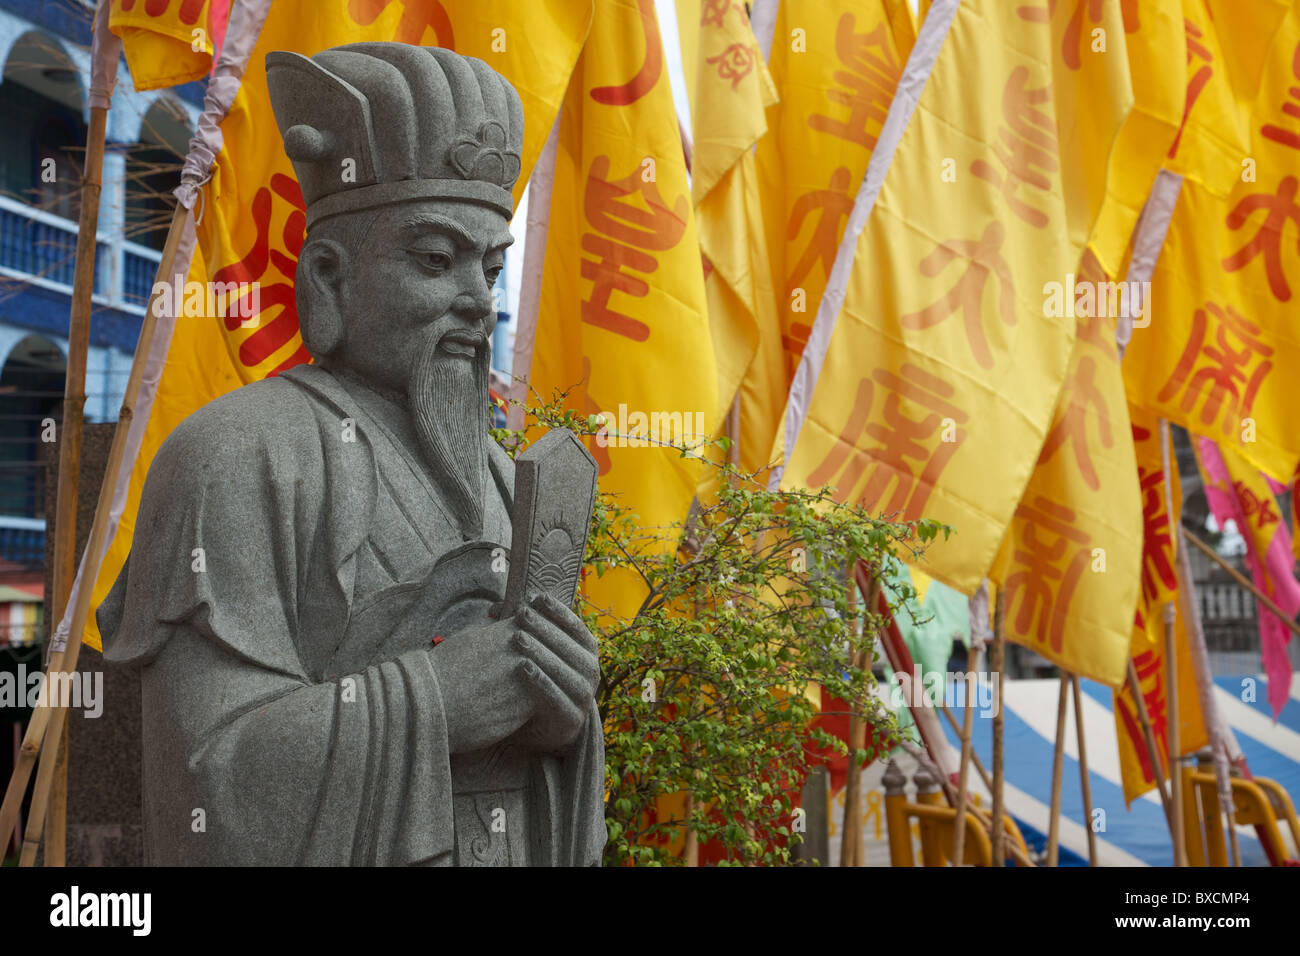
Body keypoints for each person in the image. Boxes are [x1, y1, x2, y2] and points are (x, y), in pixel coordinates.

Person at [98, 43, 606, 866]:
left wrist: (562, 718)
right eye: (436, 261)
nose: (478, 301)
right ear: (329, 278)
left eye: (493, 266)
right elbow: (206, 775)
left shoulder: (510, 483)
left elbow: (542, 775)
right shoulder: (236, 455)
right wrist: (432, 702)